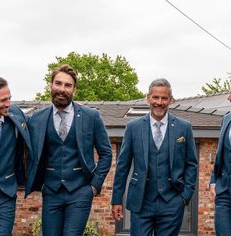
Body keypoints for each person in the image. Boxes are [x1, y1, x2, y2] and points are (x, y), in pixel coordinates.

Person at [25, 64, 112, 236]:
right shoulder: (37, 118)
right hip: (51, 191)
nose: (62, 89)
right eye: (58, 83)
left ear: (74, 90)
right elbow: (28, 152)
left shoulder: (91, 116)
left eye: (68, 85)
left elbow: (106, 153)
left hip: (80, 191)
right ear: (51, 85)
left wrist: (94, 186)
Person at [111, 78, 198, 236]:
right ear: (148, 98)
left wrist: (185, 197)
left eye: (164, 98)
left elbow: (191, 164)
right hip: (141, 202)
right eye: (156, 97)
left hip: (172, 202)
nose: (159, 102)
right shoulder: (133, 127)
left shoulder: (183, 127)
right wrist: (116, 199)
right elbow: (122, 166)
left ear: (170, 100)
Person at [0, 76, 32, 235]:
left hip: (5, 194)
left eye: (9, 98)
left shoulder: (16, 114)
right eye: (3, 100)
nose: (8, 103)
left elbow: (38, 123)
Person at [210, 93, 231, 236]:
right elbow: (220, 153)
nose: (229, 97)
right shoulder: (226, 119)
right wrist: (213, 181)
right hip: (224, 191)